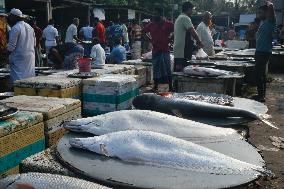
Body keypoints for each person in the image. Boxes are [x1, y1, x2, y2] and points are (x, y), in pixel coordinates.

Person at [144, 8, 174, 91]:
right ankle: (156, 86)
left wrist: (170, 39)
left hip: (165, 50)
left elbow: (175, 30)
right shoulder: (152, 24)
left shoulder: (168, 24)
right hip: (156, 50)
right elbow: (144, 31)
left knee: (167, 68)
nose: (155, 15)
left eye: (157, 14)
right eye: (154, 14)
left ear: (161, 15)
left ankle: (170, 86)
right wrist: (150, 39)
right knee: (156, 68)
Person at [254, 2, 276, 102]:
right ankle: (261, 95)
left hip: (263, 52)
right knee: (261, 74)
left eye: (260, 12)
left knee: (259, 74)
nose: (258, 14)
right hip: (260, 51)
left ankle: (261, 96)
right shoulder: (263, 22)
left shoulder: (270, 21)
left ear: (267, 13)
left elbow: (272, 11)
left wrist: (270, 4)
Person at [7, 8, 35, 84]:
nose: (9, 19)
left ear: (14, 17)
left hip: (19, 58)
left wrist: (5, 55)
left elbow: (11, 47)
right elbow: (34, 44)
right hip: (30, 57)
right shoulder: (30, 28)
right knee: (29, 80)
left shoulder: (15, 28)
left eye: (10, 17)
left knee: (18, 81)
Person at [174, 1, 203, 72]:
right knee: (184, 71)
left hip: (179, 51)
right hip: (183, 51)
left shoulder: (179, 18)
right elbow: (192, 31)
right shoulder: (185, 18)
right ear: (189, 9)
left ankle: (176, 83)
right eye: (192, 9)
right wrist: (199, 42)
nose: (192, 11)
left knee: (178, 71)